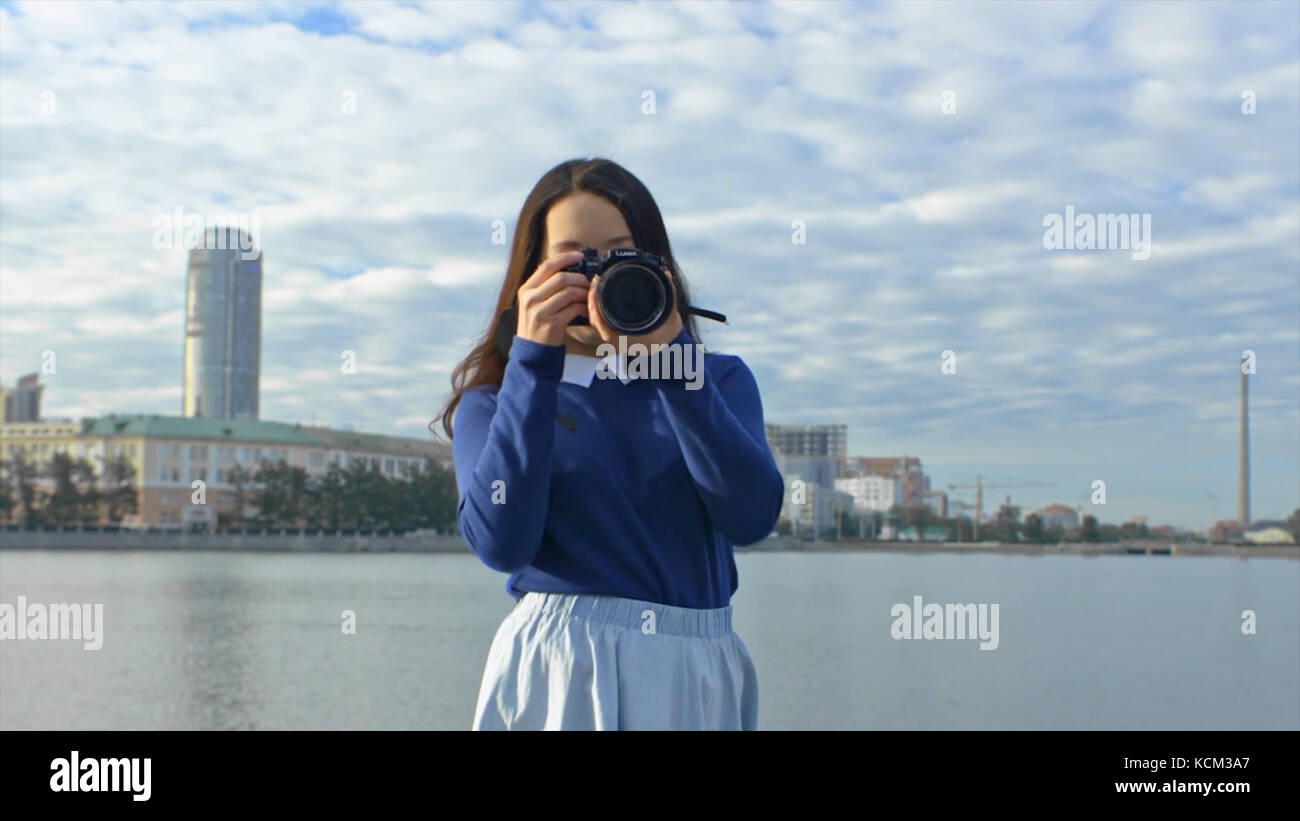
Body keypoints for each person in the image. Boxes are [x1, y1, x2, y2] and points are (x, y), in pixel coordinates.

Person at [433, 157, 784, 730]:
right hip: (563, 669)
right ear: (531, 275)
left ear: (658, 268)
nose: (596, 279)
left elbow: (750, 517)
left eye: (619, 256)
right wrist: (532, 362)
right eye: (574, 260)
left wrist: (673, 367)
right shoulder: (494, 401)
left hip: (697, 666)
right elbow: (501, 544)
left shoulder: (714, 381)